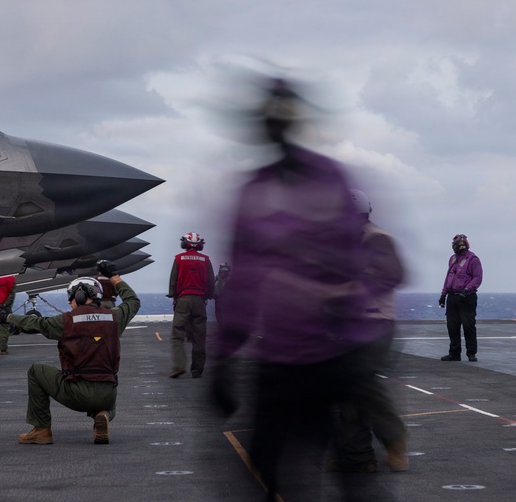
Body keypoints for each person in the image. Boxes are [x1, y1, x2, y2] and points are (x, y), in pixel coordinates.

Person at [212, 77, 393, 501]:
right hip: (317, 352)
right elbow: (245, 280)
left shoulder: (263, 189)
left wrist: (224, 359)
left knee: (276, 468)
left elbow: (244, 282)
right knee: (335, 470)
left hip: (303, 354)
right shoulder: (323, 179)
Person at [5, 263, 140, 445]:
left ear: (80, 295)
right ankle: (104, 414)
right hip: (107, 393)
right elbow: (133, 301)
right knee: (108, 404)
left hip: (77, 394)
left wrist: (7, 317)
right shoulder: (115, 317)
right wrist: (114, 276)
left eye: (71, 297)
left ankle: (41, 430)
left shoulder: (67, 321)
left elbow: (38, 323)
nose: (69, 302)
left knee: (36, 371)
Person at [330, 190, 409, 473]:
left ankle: (394, 438)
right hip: (349, 326)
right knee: (346, 391)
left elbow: (394, 274)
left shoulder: (376, 238)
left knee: (362, 382)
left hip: (375, 324)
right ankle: (358, 457)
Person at [168, 232, 215, 379]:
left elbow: (173, 281)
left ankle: (179, 366)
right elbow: (211, 282)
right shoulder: (206, 260)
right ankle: (197, 371)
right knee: (199, 337)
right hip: (200, 301)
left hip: (183, 300)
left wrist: (174, 297)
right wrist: (206, 297)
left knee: (177, 334)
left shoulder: (179, 258)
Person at [439, 234, 482, 362]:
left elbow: (477, 278)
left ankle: (471, 353)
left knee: (468, 325)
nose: (454, 248)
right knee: (452, 326)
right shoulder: (452, 259)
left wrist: (467, 290)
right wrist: (443, 294)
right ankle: (454, 353)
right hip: (452, 297)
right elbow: (449, 278)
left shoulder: (473, 259)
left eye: (455, 246)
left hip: (467, 297)